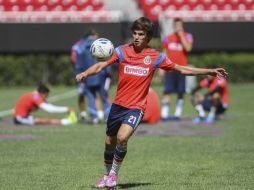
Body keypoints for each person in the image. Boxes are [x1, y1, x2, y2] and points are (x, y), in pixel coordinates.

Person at [76, 17, 227, 188]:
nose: (137, 37)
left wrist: (209, 71)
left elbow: (181, 69)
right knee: (109, 142)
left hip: (136, 107)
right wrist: (85, 73)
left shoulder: (155, 57)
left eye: (141, 34)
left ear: (148, 37)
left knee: (122, 137)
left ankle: (113, 175)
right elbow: (100, 66)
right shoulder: (121, 51)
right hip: (118, 105)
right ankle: (105, 175)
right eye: (134, 33)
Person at [71, 29, 111, 123]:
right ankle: (108, 117)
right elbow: (108, 60)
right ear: (93, 36)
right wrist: (108, 73)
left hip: (88, 75)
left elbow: (78, 64)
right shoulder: (102, 44)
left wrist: (80, 74)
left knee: (91, 97)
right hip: (101, 74)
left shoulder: (80, 47)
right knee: (104, 96)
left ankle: (94, 117)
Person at [159, 17, 193, 120]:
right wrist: (161, 68)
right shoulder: (167, 38)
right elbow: (164, 54)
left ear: (182, 26)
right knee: (167, 91)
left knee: (180, 91)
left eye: (180, 25)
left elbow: (188, 48)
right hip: (170, 68)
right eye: (176, 25)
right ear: (174, 26)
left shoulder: (188, 36)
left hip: (182, 69)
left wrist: (181, 36)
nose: (178, 27)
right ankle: (164, 115)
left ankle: (177, 114)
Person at [13, 84, 77, 126]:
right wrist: (67, 109)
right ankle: (67, 122)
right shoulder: (36, 97)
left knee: (45, 119)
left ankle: (67, 121)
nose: (46, 98)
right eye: (46, 96)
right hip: (20, 119)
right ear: (43, 93)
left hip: (23, 117)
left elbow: (48, 105)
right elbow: (49, 109)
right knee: (46, 120)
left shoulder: (35, 95)